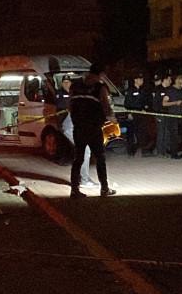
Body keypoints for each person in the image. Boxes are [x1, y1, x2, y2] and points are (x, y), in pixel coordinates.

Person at [69, 64, 117, 197]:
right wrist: (112, 119)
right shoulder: (100, 87)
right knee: (100, 158)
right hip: (93, 128)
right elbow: (106, 107)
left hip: (78, 128)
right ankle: (104, 188)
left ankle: (74, 190)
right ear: (100, 74)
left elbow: (70, 106)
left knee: (78, 159)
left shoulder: (75, 86)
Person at [58, 76, 95, 188]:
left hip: (74, 127)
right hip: (70, 128)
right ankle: (84, 180)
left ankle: (80, 178)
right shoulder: (77, 98)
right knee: (85, 151)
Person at [123, 74, 151, 156]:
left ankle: (143, 150)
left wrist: (146, 107)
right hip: (133, 114)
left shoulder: (143, 90)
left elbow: (146, 101)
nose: (142, 81)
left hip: (141, 114)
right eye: (140, 79)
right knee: (131, 133)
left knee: (142, 132)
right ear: (135, 80)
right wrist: (129, 113)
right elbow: (127, 103)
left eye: (142, 79)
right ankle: (130, 151)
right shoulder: (130, 90)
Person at [163, 74, 182, 158]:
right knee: (174, 135)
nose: (181, 85)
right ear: (176, 81)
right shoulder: (169, 90)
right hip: (173, 115)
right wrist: (175, 103)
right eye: (180, 83)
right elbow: (164, 103)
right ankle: (174, 154)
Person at [154, 74, 174, 157]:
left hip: (168, 113)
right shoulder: (158, 89)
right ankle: (160, 151)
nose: (170, 81)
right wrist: (157, 114)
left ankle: (166, 151)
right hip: (160, 114)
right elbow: (155, 103)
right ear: (164, 80)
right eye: (169, 80)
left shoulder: (170, 90)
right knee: (161, 132)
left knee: (167, 132)